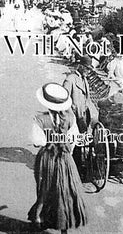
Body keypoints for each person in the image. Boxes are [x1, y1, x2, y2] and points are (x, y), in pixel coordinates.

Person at [28, 83, 87, 233]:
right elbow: (74, 139)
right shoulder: (71, 117)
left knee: (44, 189)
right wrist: (67, 149)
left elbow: (37, 141)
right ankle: (64, 223)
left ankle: (39, 218)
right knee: (65, 190)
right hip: (65, 159)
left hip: (47, 158)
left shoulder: (40, 119)